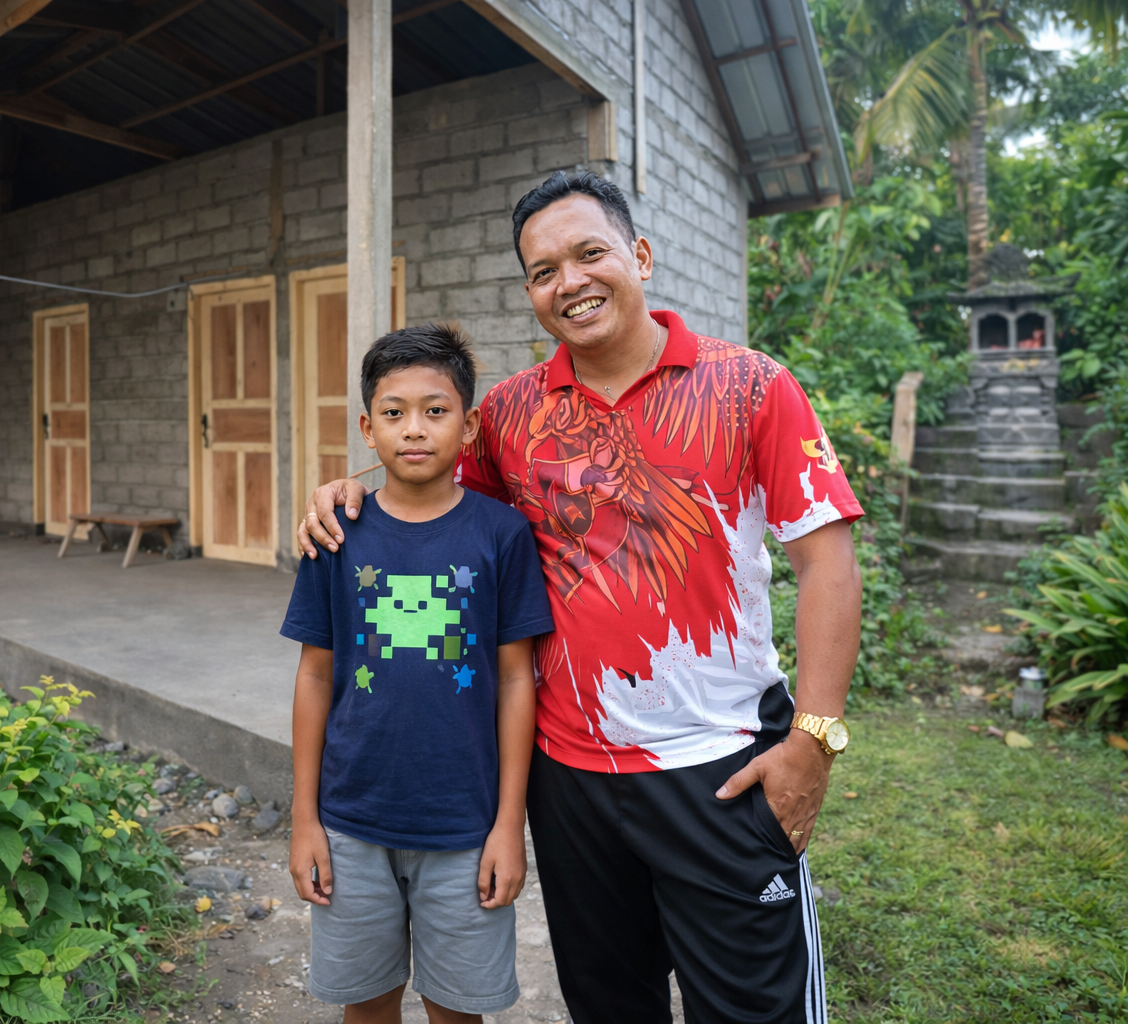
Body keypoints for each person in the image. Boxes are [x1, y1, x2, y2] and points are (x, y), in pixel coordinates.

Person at [299, 171, 864, 1024]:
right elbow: (420, 464)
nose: (570, 281)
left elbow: (828, 564)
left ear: (640, 255)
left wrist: (814, 742)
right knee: (608, 1007)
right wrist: (345, 488)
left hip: (720, 765)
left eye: (589, 253)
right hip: (570, 782)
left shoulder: (751, 386)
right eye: (543, 271)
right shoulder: (512, 414)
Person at [280, 324, 553, 1024]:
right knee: (367, 1005)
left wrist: (509, 824)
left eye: (436, 410)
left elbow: (517, 681)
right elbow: (314, 677)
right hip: (351, 819)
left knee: (457, 1008)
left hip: (465, 824)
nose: (414, 429)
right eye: (394, 412)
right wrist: (305, 819)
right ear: (367, 429)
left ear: (469, 426)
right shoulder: (336, 535)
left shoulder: (502, 535)